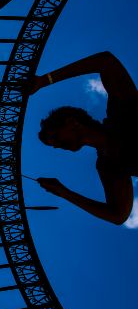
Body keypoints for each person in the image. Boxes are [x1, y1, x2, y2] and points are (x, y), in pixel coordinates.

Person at [28, 51, 138, 225]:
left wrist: (45, 80)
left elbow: (105, 61)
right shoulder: (107, 166)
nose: (57, 146)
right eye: (53, 145)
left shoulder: (121, 111)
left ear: (71, 122)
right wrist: (63, 192)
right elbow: (118, 215)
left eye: (55, 137)